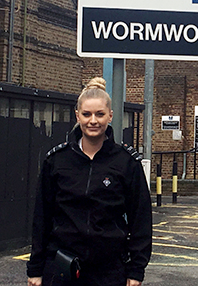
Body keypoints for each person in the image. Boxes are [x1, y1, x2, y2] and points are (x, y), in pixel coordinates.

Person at [27, 77, 152, 286]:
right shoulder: (57, 160)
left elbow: (141, 220)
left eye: (100, 114)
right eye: (86, 114)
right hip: (61, 267)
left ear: (110, 116)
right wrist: (35, 268)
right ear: (78, 116)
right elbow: (42, 218)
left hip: (110, 270)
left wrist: (136, 270)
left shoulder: (126, 162)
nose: (93, 120)